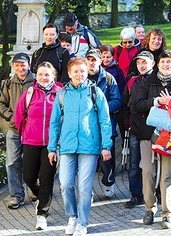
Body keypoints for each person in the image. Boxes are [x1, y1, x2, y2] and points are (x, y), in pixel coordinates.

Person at [47, 57, 112, 235]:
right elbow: (54, 123)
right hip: (67, 146)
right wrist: (52, 148)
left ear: (87, 72)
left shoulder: (95, 92)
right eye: (75, 71)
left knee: (84, 187)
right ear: (69, 73)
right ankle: (72, 217)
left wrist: (106, 145)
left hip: (89, 146)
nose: (79, 74)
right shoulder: (62, 94)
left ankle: (82, 222)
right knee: (65, 185)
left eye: (82, 71)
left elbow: (105, 120)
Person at [133, 50, 171, 229]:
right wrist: (155, 102)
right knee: (147, 171)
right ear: (157, 64)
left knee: (167, 174)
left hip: (169, 136)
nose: (165, 65)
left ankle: (167, 213)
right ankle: (149, 208)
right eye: (163, 62)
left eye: (169, 63)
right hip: (148, 134)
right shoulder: (147, 83)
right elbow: (136, 104)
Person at [14, 62, 62, 230]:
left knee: (47, 178)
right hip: (31, 141)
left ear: (53, 76)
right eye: (40, 74)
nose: (43, 77)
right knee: (28, 176)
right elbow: (18, 116)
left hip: (52, 144)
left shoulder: (60, 93)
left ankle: (42, 214)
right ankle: (41, 195)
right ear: (37, 76)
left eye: (47, 74)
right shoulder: (29, 93)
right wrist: (24, 134)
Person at [0, 53, 35, 209]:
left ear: (29, 65)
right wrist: (12, 117)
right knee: (12, 162)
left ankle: (34, 189)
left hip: (32, 129)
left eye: (23, 65)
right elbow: (1, 104)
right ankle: (16, 195)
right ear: (13, 66)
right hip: (14, 129)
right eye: (17, 65)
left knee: (32, 161)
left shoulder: (36, 81)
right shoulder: (8, 83)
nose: (20, 68)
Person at [86, 49, 122, 198]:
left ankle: (108, 182)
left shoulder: (108, 78)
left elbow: (117, 101)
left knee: (107, 160)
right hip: (87, 127)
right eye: (88, 60)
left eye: (94, 60)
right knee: (88, 160)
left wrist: (102, 107)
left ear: (100, 61)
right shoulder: (81, 78)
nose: (91, 63)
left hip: (106, 126)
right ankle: (88, 189)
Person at [121, 51, 155, 209]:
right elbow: (124, 104)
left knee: (153, 164)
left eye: (145, 62)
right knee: (134, 164)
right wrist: (128, 122)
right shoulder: (132, 81)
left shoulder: (156, 80)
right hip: (135, 127)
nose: (142, 65)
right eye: (139, 62)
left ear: (152, 64)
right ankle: (136, 195)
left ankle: (155, 193)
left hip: (153, 128)